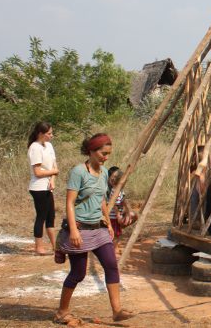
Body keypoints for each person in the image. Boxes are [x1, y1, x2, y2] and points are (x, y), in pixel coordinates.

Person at [54, 133, 134, 324]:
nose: (106, 157)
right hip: (80, 229)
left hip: (98, 229)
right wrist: (73, 230)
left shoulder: (105, 172)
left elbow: (102, 200)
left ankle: (116, 310)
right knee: (78, 273)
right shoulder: (78, 172)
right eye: (103, 153)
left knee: (111, 265)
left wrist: (107, 222)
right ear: (91, 151)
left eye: (108, 154)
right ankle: (61, 311)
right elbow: (70, 203)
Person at [27, 121, 59, 255]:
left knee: (51, 216)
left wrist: (52, 179)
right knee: (41, 216)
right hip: (38, 187)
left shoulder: (49, 146)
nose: (51, 136)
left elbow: (54, 166)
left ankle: (55, 246)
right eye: (49, 133)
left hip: (47, 187)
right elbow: (38, 172)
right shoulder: (35, 147)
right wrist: (53, 173)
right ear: (41, 134)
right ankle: (38, 247)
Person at [106, 166, 138, 248]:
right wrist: (119, 216)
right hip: (113, 217)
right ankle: (113, 250)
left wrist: (126, 212)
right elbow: (115, 205)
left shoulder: (118, 190)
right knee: (115, 236)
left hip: (115, 216)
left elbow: (123, 201)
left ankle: (113, 249)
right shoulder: (114, 191)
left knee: (115, 235)